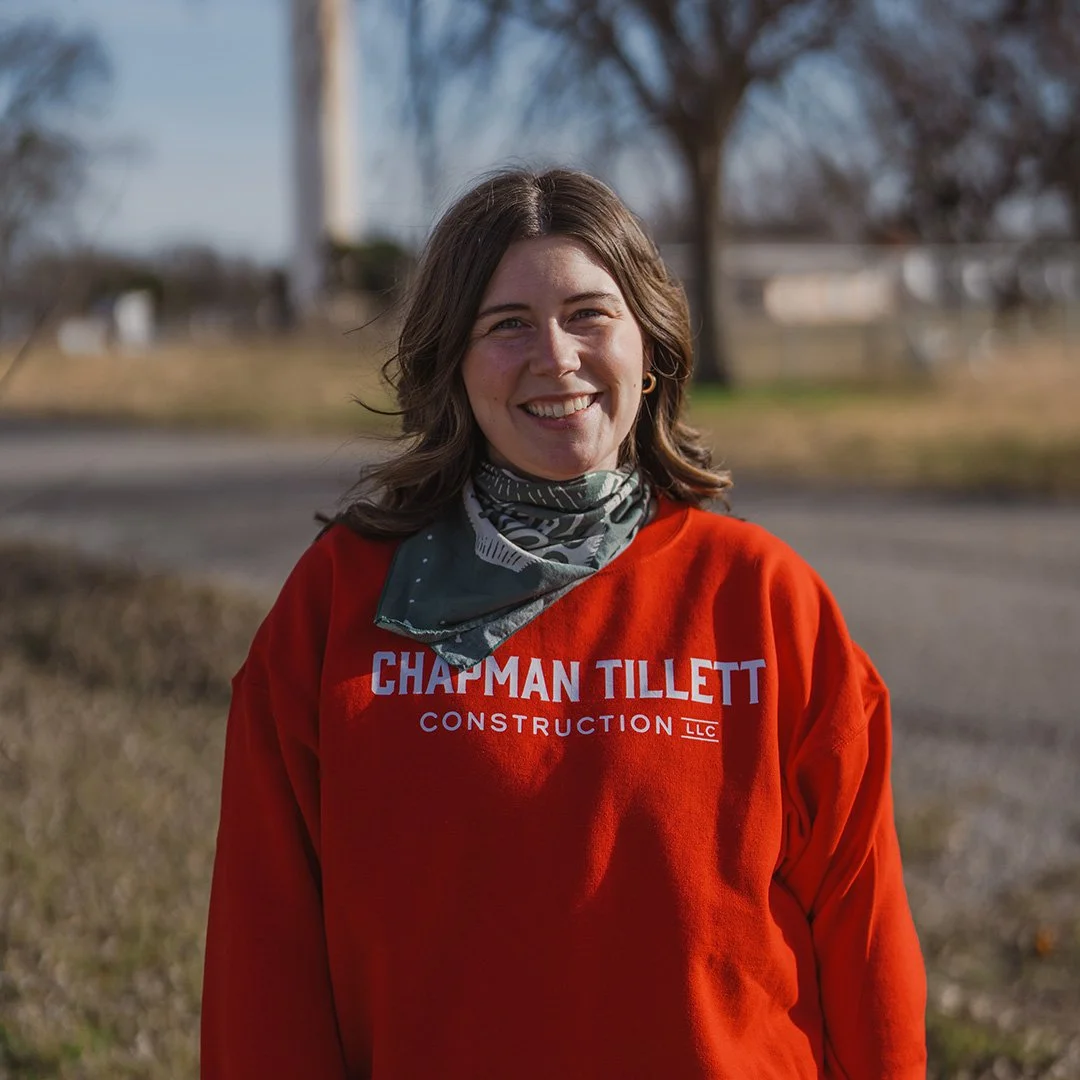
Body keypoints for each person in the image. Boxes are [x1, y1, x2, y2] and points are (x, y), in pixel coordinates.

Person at [201, 167, 927, 1079]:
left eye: (590, 314)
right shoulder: (342, 602)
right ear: (454, 366)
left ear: (650, 346)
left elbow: (868, 950)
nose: (556, 356)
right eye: (506, 325)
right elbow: (262, 960)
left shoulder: (766, 600)